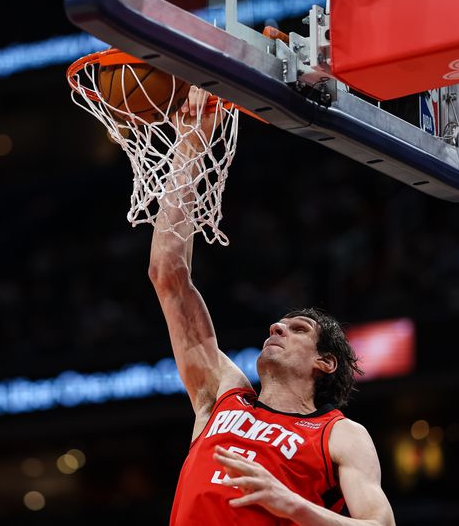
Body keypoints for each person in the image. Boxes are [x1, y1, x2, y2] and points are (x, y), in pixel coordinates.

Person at [148, 87, 395, 525]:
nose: (276, 329)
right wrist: (189, 147)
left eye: (298, 329)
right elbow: (168, 276)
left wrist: (293, 505)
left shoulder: (340, 434)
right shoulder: (222, 395)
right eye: (278, 325)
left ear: (326, 363)